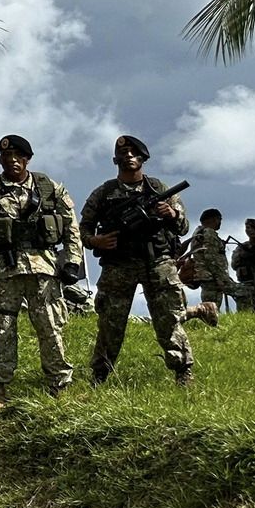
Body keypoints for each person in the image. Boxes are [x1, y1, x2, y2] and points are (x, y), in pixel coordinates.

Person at [0, 133, 82, 411]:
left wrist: (72, 261)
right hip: (2, 272)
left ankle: (59, 383)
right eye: (7, 157)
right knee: (1, 332)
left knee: (51, 329)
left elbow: (72, 226)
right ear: (0, 160)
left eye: (19, 157)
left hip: (43, 269)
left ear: (27, 159)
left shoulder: (49, 187)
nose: (13, 161)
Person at [80, 135, 192, 387]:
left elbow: (184, 227)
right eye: (123, 153)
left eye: (133, 153)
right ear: (115, 160)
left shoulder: (159, 188)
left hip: (158, 263)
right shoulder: (104, 193)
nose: (128, 156)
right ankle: (99, 376)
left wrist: (172, 214)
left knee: (169, 319)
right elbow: (82, 229)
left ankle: (183, 371)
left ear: (143, 158)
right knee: (110, 323)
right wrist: (96, 241)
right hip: (119, 265)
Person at [186, 208, 238, 314]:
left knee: (209, 305)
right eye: (219, 219)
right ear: (214, 219)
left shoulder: (198, 233)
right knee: (213, 307)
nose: (220, 223)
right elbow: (210, 258)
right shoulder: (209, 233)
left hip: (205, 275)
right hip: (211, 276)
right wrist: (219, 278)